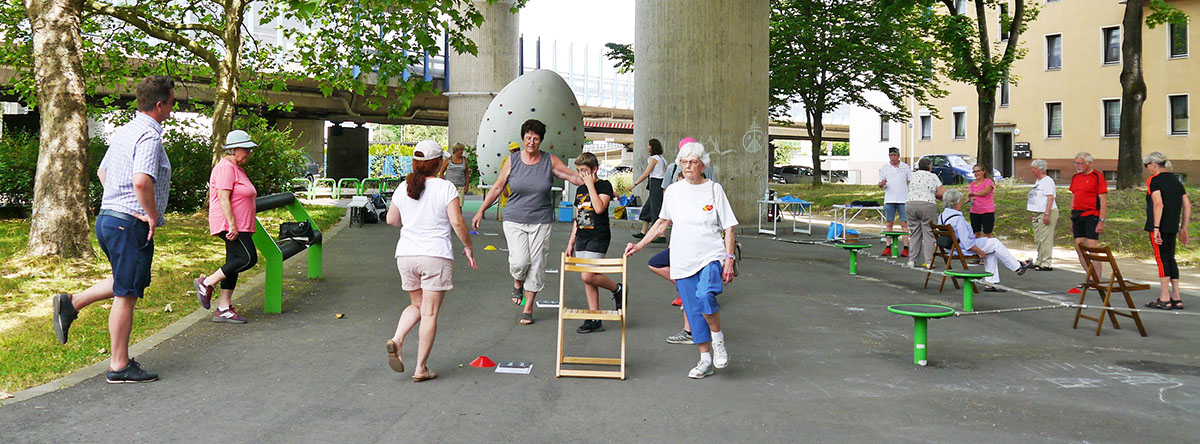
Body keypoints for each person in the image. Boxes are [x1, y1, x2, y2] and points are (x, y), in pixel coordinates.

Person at [51, 75, 175, 384]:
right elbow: (142, 180)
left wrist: (117, 201)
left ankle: (72, 303)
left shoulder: (126, 132)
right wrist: (148, 213)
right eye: (173, 102)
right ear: (160, 105)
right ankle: (119, 365)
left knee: (126, 281)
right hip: (128, 222)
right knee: (127, 293)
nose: (173, 108)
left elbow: (103, 171)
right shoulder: (149, 135)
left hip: (109, 218)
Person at [625, 142, 737, 379]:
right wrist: (639, 244)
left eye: (693, 162)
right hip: (682, 258)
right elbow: (662, 223)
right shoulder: (674, 192)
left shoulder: (714, 189)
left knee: (706, 296)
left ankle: (718, 340)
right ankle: (705, 359)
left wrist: (728, 258)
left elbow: (728, 227)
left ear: (702, 164)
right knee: (693, 311)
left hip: (710, 255)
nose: (688, 166)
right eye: (684, 162)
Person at [472, 119, 582, 325]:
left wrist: (594, 182)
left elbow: (573, 177)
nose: (532, 142)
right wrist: (480, 211)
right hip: (514, 219)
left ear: (541, 141)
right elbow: (497, 188)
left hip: (541, 220)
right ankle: (517, 281)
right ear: (523, 138)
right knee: (520, 262)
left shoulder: (549, 161)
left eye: (536, 139)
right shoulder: (512, 161)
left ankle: (528, 307)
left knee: (538, 262)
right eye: (528, 138)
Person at [385, 140, 478, 382]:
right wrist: (468, 247)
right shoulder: (445, 188)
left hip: (406, 255)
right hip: (435, 255)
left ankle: (397, 338)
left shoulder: (403, 187)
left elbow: (392, 220)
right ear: (438, 164)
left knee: (417, 306)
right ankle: (420, 368)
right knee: (429, 313)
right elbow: (457, 222)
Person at [193, 130, 259, 324]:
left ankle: (223, 308)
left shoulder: (237, 168)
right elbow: (223, 198)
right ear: (233, 149)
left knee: (234, 262)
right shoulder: (225, 168)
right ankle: (207, 282)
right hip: (230, 224)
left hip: (241, 224)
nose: (249, 153)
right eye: (246, 149)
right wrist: (232, 224)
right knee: (248, 258)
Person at [565, 152, 625, 333]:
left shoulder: (604, 185)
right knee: (588, 278)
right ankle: (594, 317)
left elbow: (599, 208)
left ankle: (617, 288)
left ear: (594, 170)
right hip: (582, 236)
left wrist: (591, 185)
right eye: (578, 171)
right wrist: (571, 242)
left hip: (598, 235)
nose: (581, 175)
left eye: (584, 171)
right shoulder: (579, 189)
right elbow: (579, 217)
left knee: (588, 275)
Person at [938, 189, 1031, 292]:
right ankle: (1017, 267)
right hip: (963, 248)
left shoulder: (942, 216)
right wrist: (979, 251)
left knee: (991, 249)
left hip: (952, 248)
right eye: (960, 201)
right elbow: (966, 242)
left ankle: (991, 283)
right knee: (994, 243)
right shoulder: (958, 219)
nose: (961, 203)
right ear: (955, 203)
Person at [1142, 152, 1191, 310]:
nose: (1147, 168)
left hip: (1159, 226)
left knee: (1161, 259)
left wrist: (1156, 227)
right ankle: (1176, 296)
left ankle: (1164, 298)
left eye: (1147, 165)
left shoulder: (1154, 180)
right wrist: (1183, 227)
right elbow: (1187, 205)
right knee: (1170, 258)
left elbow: (1158, 204)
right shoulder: (1176, 180)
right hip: (1173, 225)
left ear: (1154, 165)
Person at [1069, 152, 1108, 284]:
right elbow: (1074, 197)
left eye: (1080, 163)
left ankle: (1098, 278)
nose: (1077, 166)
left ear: (1089, 163)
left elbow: (1103, 200)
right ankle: (1091, 276)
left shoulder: (1097, 177)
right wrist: (1071, 218)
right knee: (1079, 248)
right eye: (1076, 163)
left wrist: (1101, 221)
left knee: (1092, 248)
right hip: (1077, 215)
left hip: (1092, 215)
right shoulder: (1076, 177)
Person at [905, 157, 946, 268]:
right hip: (927, 204)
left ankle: (912, 260)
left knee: (914, 232)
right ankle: (928, 261)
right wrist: (935, 196)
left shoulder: (913, 176)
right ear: (929, 167)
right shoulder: (932, 176)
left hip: (910, 203)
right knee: (929, 233)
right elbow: (942, 193)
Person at [1026, 159, 1059, 271]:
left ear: (1040, 169)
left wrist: (1046, 214)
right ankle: (1039, 260)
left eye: (1034, 169)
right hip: (1037, 213)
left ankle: (1046, 262)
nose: (1032, 171)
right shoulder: (1038, 181)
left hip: (1046, 212)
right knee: (1039, 238)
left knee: (1045, 238)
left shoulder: (1047, 181)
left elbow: (1050, 198)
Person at [632, 138, 666, 243]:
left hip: (656, 184)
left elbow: (646, 173)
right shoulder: (662, 159)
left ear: (652, 147)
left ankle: (661, 235)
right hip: (659, 184)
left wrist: (635, 184)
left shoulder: (654, 159)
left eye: (649, 145)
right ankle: (643, 232)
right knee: (647, 208)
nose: (648, 147)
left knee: (655, 209)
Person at [878, 147, 910, 257]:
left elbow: (909, 181)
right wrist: (881, 183)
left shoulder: (905, 167)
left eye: (894, 155)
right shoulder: (885, 168)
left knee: (904, 223)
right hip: (889, 199)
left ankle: (906, 247)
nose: (892, 157)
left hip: (902, 199)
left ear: (898, 156)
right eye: (891, 155)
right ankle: (888, 246)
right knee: (889, 223)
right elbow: (880, 184)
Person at [438, 142, 471, 208]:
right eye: (460, 150)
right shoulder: (448, 159)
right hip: (450, 186)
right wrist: (443, 184)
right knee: (450, 205)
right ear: (455, 150)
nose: (461, 152)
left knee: (459, 205)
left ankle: (458, 218)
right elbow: (441, 172)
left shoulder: (465, 160)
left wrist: (467, 185)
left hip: (461, 186)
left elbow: (467, 173)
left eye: (462, 150)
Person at [967, 164, 996, 238]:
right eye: (974, 172)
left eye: (978, 171)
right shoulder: (972, 184)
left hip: (987, 211)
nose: (976, 173)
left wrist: (974, 194)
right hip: (974, 211)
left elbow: (985, 192)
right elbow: (969, 195)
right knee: (976, 233)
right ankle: (978, 248)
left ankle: (990, 248)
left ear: (983, 172)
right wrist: (968, 199)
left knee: (987, 233)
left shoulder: (988, 181)